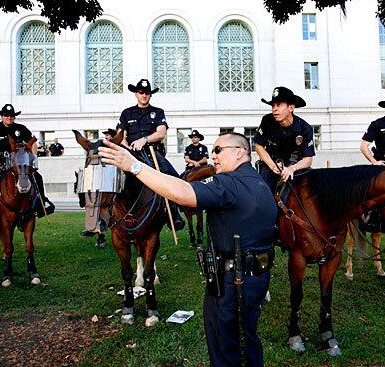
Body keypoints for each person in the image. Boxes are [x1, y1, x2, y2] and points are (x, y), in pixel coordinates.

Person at [98, 132, 276, 366]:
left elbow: (183, 193)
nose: (213, 156)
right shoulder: (259, 182)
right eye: (213, 150)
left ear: (240, 152)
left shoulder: (230, 183)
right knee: (247, 342)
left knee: (227, 347)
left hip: (233, 282)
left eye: (218, 150)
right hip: (255, 277)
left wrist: (134, 166)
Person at [116, 78, 184, 231]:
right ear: (136, 94)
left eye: (147, 93)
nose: (144, 95)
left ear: (150, 95)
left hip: (152, 152)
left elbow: (161, 132)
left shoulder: (158, 112)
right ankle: (107, 215)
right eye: (141, 92)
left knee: (171, 175)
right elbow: (122, 135)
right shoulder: (127, 113)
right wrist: (127, 147)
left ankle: (174, 213)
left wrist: (144, 140)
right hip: (131, 153)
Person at [254, 86, 315, 192]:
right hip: (271, 165)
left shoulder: (305, 128)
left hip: (295, 167)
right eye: (273, 105)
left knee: (311, 189)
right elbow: (258, 145)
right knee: (262, 193)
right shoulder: (267, 121)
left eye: (279, 105)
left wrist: (291, 168)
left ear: (291, 108)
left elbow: (308, 160)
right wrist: (272, 166)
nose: (274, 109)